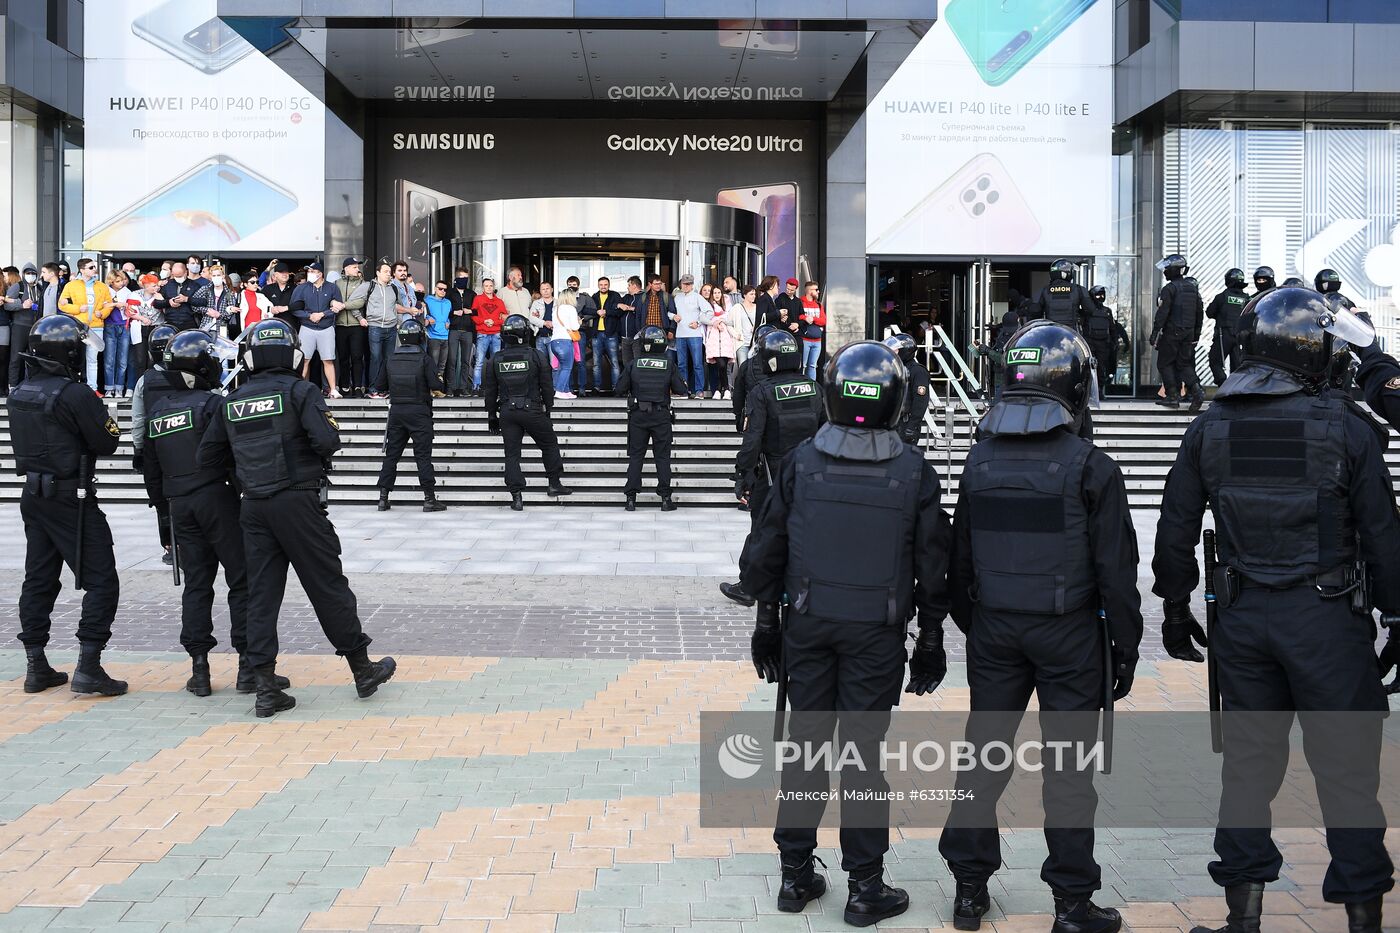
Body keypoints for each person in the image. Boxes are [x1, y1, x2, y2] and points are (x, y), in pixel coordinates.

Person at [1152, 287, 1397, 933]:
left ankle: (1245, 916)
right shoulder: (1347, 426)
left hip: (1244, 620)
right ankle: (1365, 917)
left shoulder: (1210, 424)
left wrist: (1175, 609)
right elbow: (1383, 532)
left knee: (1249, 769)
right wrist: (1397, 618)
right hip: (1328, 619)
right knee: (1347, 772)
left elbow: (1175, 525)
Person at [739, 340, 951, 928]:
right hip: (875, 635)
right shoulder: (913, 471)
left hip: (808, 626)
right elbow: (934, 568)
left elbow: (765, 551)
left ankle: (795, 874)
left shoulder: (802, 462)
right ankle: (864, 887)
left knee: (805, 749)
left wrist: (765, 622)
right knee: (863, 758)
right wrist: (931, 638)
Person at [939, 320, 1141, 933]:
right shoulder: (1092, 466)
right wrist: (1124, 651)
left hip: (996, 628)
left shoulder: (978, 461)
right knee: (1069, 769)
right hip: (1070, 634)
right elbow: (1117, 572)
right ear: (1077, 386)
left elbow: (959, 565)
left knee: (983, 757)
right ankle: (1072, 906)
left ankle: (970, 890)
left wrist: (983, 625)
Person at [197, 320, 398, 717]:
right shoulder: (300, 391)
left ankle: (265, 685)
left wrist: (242, 475)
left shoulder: (231, 400)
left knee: (261, 596)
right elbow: (327, 440)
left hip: (253, 507)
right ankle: (361, 669)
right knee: (327, 585)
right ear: (292, 354)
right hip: (298, 503)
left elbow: (206, 458)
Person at [144, 331, 291, 698]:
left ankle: (200, 670)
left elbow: (151, 470)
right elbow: (232, 453)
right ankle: (249, 668)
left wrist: (164, 517)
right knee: (242, 580)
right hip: (218, 499)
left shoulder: (158, 409)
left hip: (179, 505)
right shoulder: (212, 405)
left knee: (197, 584)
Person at [9, 315, 125, 696]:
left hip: (34, 495)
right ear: (69, 352)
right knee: (102, 581)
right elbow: (106, 442)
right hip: (69, 496)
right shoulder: (73, 394)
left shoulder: (21, 390)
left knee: (39, 578)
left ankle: (35, 663)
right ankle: (89, 665)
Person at [718, 329, 824, 607]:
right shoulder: (815, 389)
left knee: (763, 529)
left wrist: (743, 475)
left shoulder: (762, 392)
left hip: (772, 472)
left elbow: (752, 440)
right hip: (810, 472)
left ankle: (749, 587)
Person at [482, 314, 571, 510]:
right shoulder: (536, 355)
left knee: (511, 454)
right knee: (549, 444)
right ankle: (554, 484)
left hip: (507, 411)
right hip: (532, 409)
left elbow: (490, 391)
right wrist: (549, 408)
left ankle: (516, 496)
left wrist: (491, 416)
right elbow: (547, 385)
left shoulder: (495, 359)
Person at [375, 318, 446, 512]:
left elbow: (380, 386)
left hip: (397, 411)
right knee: (423, 457)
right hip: (419, 412)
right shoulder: (424, 359)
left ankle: (383, 498)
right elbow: (435, 385)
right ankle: (429, 499)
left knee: (392, 456)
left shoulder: (390, 358)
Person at [615, 324, 688, 511]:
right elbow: (681, 389)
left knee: (636, 457)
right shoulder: (668, 364)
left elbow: (619, 389)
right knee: (662, 458)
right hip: (661, 415)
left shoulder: (634, 364)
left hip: (638, 415)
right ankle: (665, 499)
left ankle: (630, 499)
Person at [1150, 254, 1204, 411]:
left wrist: (1155, 333)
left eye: (1167, 269)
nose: (1165, 272)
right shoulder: (1192, 289)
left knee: (1164, 363)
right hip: (1188, 334)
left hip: (1172, 332)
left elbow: (1162, 313)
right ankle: (1197, 391)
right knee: (1183, 364)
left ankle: (1172, 396)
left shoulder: (1170, 288)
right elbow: (1199, 313)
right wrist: (1196, 336)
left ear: (1174, 270)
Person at [57, 258, 114, 392]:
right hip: (78, 326)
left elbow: (109, 304)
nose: (94, 269)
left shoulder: (101, 286)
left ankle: (92, 388)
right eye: (91, 267)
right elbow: (61, 304)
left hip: (96, 326)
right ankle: (73, 388)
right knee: (75, 357)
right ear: (82, 270)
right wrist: (77, 309)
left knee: (92, 358)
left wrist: (103, 313)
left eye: (94, 267)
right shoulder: (71, 285)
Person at [288, 262, 340, 397]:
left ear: (320, 273)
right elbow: (294, 308)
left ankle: (333, 389)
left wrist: (322, 314)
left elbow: (337, 307)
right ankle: (300, 391)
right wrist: (309, 316)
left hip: (326, 328)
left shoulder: (332, 288)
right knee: (304, 359)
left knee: (328, 359)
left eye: (312, 271)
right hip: (307, 327)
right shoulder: (301, 288)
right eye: (309, 271)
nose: (309, 273)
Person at [731, 320, 779, 433]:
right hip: (776, 413)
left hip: (756, 413)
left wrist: (738, 416)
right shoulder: (784, 365)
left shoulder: (747, 365)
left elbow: (738, 394)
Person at [885, 332, 930, 447]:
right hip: (892, 423)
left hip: (906, 424)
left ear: (906, 350)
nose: (893, 353)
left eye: (896, 350)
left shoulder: (917, 371)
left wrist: (912, 427)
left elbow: (920, 402)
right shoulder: (895, 370)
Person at [1206, 268, 1250, 386]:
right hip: (1240, 337)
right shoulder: (1247, 299)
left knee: (1215, 361)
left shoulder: (1221, 297)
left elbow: (1209, 313)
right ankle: (1235, 390)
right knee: (1237, 366)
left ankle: (1223, 384)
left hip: (1223, 335)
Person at [334, 258, 369, 398]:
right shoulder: (336, 284)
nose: (357, 269)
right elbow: (333, 300)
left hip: (357, 326)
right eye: (354, 267)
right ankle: (344, 386)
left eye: (357, 267)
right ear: (346, 268)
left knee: (357, 357)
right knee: (343, 358)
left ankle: (358, 387)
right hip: (340, 325)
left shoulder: (363, 283)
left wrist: (343, 305)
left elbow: (360, 302)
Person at [6, 263, 44, 392]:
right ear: (23, 274)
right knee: (16, 357)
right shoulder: (18, 287)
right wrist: (22, 305)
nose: (30, 276)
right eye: (28, 273)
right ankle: (12, 385)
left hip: (36, 327)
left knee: (34, 358)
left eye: (33, 273)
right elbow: (7, 305)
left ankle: (32, 384)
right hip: (20, 326)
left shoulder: (40, 288)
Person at [670, 274, 707, 397]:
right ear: (681, 284)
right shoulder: (677, 297)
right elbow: (669, 312)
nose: (686, 286)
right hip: (680, 334)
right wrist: (673, 316)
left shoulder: (698, 297)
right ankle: (683, 390)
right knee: (681, 365)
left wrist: (698, 322)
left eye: (689, 284)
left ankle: (699, 390)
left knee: (697, 364)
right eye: (684, 284)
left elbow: (709, 311)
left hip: (695, 334)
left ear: (692, 285)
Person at [1031, 259, 1093, 331]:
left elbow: (1034, 313)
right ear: (1066, 273)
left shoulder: (1043, 291)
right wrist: (1077, 312)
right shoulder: (1079, 290)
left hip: (1051, 332)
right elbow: (1091, 310)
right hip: (1071, 334)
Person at [470, 278, 507, 397]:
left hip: (496, 333)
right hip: (482, 332)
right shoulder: (478, 299)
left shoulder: (499, 301)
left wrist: (494, 322)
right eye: (486, 286)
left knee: (496, 362)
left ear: (494, 286)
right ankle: (476, 387)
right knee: (479, 361)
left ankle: (497, 387)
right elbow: (473, 316)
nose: (489, 288)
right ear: (483, 287)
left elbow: (504, 318)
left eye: (491, 285)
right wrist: (484, 321)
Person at [563, 276, 599, 395]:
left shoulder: (584, 297)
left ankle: (582, 387)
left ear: (578, 285)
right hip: (566, 332)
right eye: (570, 284)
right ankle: (570, 387)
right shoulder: (563, 297)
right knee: (569, 361)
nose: (572, 286)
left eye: (574, 284)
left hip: (580, 331)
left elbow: (594, 311)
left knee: (581, 361)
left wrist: (582, 318)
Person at [101, 271, 133, 398]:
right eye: (118, 281)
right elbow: (101, 305)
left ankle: (119, 388)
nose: (121, 283)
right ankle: (109, 388)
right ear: (111, 282)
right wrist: (116, 304)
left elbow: (132, 308)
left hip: (124, 325)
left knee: (123, 360)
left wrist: (127, 307)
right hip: (109, 325)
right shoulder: (105, 291)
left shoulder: (127, 292)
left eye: (122, 280)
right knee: (109, 359)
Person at [445, 268, 476, 397]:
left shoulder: (471, 293)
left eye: (466, 278)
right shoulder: (450, 293)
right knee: (452, 360)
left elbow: (478, 310)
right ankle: (450, 388)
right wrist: (453, 313)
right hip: (454, 329)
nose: (465, 280)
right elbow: (444, 310)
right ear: (456, 278)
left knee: (465, 361)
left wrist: (471, 311)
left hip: (468, 330)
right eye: (462, 277)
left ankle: (463, 388)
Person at [703, 283, 735, 400]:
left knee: (724, 365)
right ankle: (723, 389)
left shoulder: (728, 306)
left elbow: (731, 321)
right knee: (719, 365)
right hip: (714, 339)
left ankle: (720, 389)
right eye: (714, 293)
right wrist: (715, 322)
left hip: (726, 339)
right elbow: (704, 318)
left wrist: (722, 321)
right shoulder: (708, 306)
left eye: (718, 292)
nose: (717, 295)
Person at [155, 260, 206, 332]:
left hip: (190, 323)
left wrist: (187, 299)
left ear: (186, 272)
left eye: (180, 276)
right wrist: (169, 302)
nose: (178, 278)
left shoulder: (194, 285)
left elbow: (203, 302)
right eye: (175, 276)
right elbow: (156, 303)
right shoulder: (167, 285)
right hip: (170, 323)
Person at [591, 275, 623, 393]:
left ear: (609, 285)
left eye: (605, 285)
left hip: (611, 334)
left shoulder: (615, 295)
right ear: (598, 285)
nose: (603, 287)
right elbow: (588, 310)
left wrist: (606, 312)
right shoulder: (594, 296)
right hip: (597, 334)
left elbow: (619, 312)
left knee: (614, 362)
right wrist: (596, 312)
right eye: (601, 285)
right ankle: (596, 387)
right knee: (596, 363)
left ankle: (616, 387)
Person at [1084, 285, 1118, 394]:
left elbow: (1112, 328)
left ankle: (1099, 390)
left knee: (1101, 368)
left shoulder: (1107, 311)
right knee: (1088, 368)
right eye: (1098, 295)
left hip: (1103, 344)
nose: (1101, 297)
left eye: (1102, 295)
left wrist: (1115, 341)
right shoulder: (1086, 311)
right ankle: (1088, 391)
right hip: (1090, 343)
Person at [423, 280, 452, 386]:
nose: (442, 291)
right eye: (440, 289)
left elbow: (449, 316)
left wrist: (449, 322)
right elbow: (423, 314)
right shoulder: (427, 300)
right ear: (435, 289)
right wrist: (429, 317)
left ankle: (438, 388)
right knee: (433, 364)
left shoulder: (448, 302)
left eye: (445, 289)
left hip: (445, 336)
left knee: (442, 365)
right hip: (433, 336)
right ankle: (431, 388)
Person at [797, 282, 826, 381]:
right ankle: (801, 387)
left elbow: (823, 321)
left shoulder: (818, 304)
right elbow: (798, 317)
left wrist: (812, 319)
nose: (818, 292)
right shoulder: (800, 302)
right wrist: (805, 318)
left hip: (817, 340)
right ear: (809, 291)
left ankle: (812, 388)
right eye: (816, 290)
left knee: (813, 366)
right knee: (803, 365)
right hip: (804, 339)